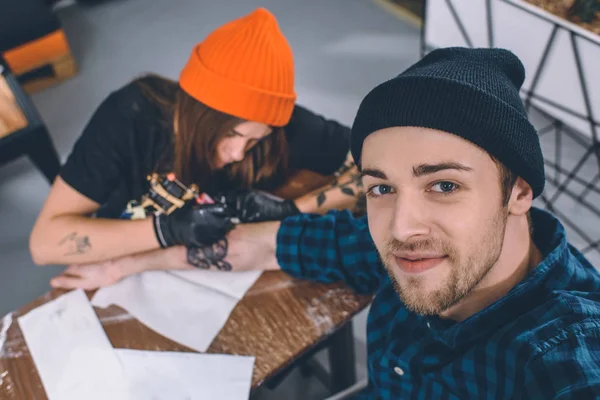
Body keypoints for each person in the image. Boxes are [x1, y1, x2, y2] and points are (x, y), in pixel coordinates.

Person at [63, 47, 600, 398]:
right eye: (381, 188)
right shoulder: (403, 244)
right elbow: (263, 245)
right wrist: (123, 265)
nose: (400, 227)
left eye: (444, 185)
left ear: (519, 191)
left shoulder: (564, 357)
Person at [29, 8, 363, 271]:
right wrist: (167, 230)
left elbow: (378, 165)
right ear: (196, 111)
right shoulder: (130, 118)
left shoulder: (279, 128)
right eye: (230, 133)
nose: (236, 153)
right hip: (118, 256)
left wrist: (293, 209)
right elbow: (44, 244)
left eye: (253, 142)